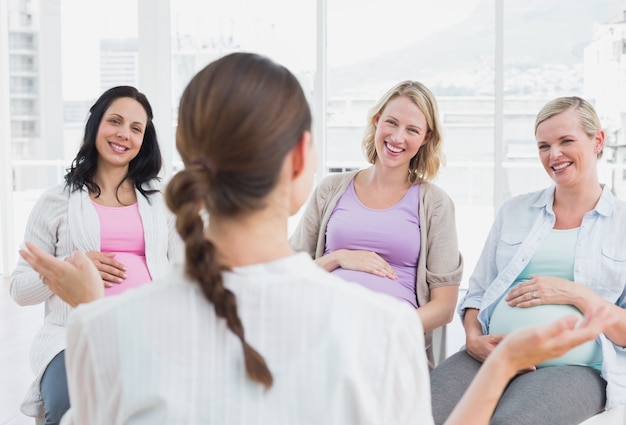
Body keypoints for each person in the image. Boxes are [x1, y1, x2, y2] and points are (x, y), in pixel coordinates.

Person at [18, 53, 615, 425]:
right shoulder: (380, 331)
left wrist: (93, 308)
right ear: (304, 161)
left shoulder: (99, 331)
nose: (399, 135)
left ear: (185, 155)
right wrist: (503, 359)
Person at [430, 96, 626, 425]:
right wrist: (474, 338)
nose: (554, 155)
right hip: (490, 354)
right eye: (544, 146)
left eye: (566, 141)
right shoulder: (515, 211)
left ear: (598, 141)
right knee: (420, 415)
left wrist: (576, 294)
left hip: (571, 365)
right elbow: (477, 294)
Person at [9, 86, 183, 424]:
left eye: (136, 128)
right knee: (71, 405)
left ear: (144, 140)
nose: (123, 134)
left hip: (149, 333)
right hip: (71, 336)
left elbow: (187, 276)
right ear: (95, 126)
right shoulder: (54, 202)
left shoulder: (164, 204)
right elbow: (19, 290)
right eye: (114, 121)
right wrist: (72, 266)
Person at [290, 80, 463, 368]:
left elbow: (444, 308)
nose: (397, 137)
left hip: (390, 341)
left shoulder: (435, 204)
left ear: (426, 138)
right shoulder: (331, 189)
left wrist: (386, 329)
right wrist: (338, 257)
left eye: (412, 130)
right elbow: (290, 274)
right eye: (391, 123)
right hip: (326, 325)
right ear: (376, 120)